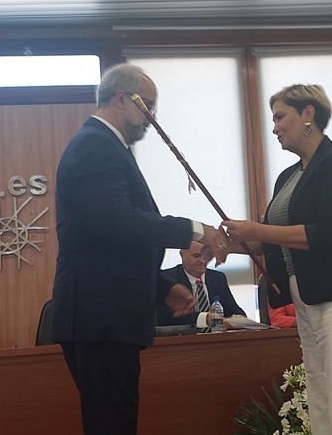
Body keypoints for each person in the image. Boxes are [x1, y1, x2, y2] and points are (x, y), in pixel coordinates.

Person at [51, 63, 228, 435]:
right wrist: (195, 230)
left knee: (113, 423)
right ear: (121, 98)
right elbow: (117, 221)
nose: (152, 117)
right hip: (101, 317)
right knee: (112, 425)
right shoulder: (96, 145)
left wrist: (163, 288)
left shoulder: (105, 146)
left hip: (105, 315)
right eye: (148, 105)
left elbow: (108, 243)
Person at [222, 84, 332, 435]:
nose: (274, 128)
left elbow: (329, 232)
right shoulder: (288, 176)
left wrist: (257, 229)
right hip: (308, 298)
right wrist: (227, 244)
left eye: (280, 117)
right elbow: (273, 242)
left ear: (308, 114)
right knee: (322, 398)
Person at [157, 241, 246, 329]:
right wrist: (204, 319)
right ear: (182, 254)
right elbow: (162, 316)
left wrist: (238, 320)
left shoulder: (218, 278)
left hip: (216, 336)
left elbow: (234, 311)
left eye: (207, 256)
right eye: (197, 256)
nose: (203, 261)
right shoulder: (167, 279)